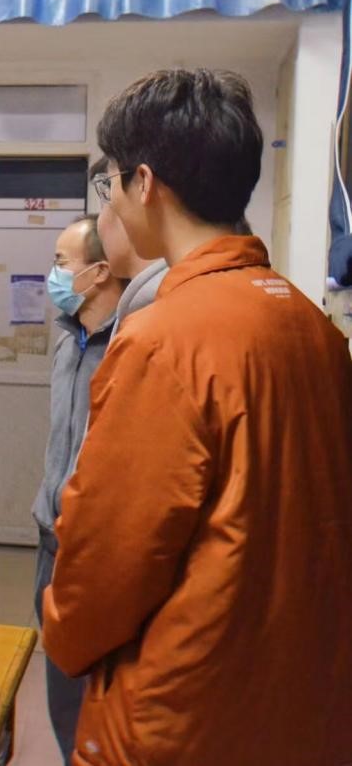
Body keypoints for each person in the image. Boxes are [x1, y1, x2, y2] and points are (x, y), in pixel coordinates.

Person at [43, 69, 352, 765]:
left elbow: (109, 560)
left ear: (144, 183)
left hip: (186, 709)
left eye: (111, 184)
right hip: (301, 696)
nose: (113, 202)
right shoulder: (311, 326)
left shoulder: (164, 340)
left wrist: (61, 631)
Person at [30, 213, 124, 763]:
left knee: (98, 695)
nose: (53, 275)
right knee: (60, 690)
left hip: (95, 548)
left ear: (100, 272)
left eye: (61, 263)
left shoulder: (133, 343)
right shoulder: (68, 339)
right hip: (51, 541)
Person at [90, 156, 168, 337]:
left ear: (144, 187)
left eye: (104, 205)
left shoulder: (158, 314)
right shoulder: (138, 305)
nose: (99, 222)